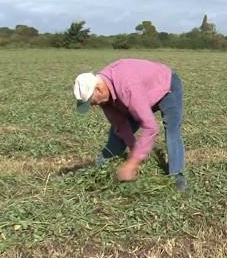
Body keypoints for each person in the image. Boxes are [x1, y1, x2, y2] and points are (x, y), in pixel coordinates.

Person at [73, 58, 187, 192]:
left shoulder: (127, 87)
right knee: (116, 133)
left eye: (91, 102)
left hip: (166, 85)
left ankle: (177, 176)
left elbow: (150, 127)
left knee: (172, 131)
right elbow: (120, 125)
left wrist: (132, 163)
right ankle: (100, 168)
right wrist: (135, 151)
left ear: (98, 89)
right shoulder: (104, 97)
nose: (92, 105)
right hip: (141, 94)